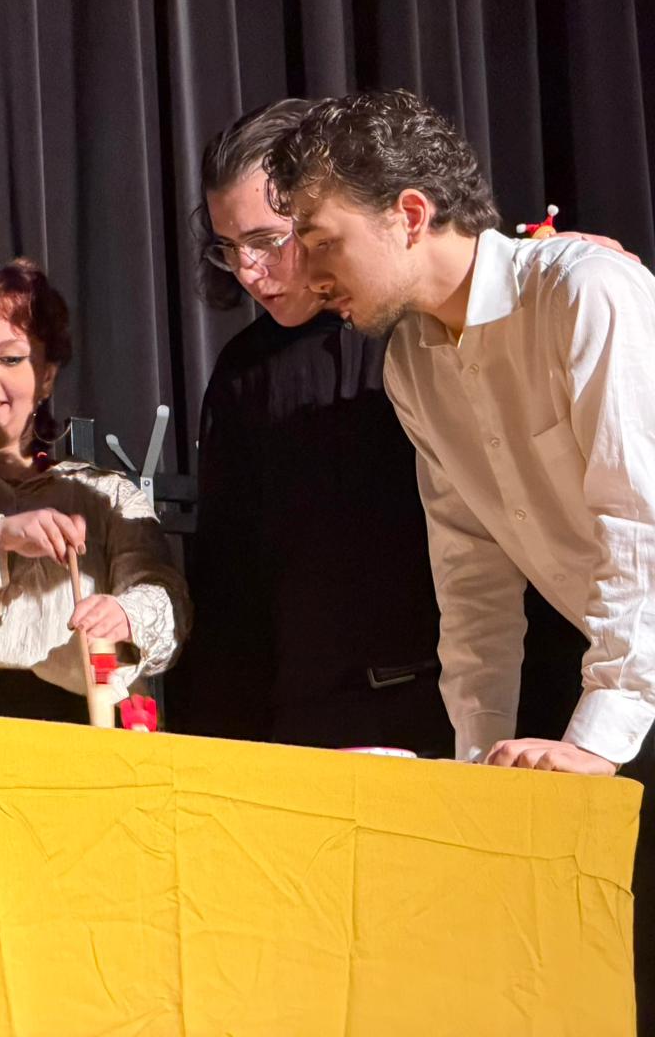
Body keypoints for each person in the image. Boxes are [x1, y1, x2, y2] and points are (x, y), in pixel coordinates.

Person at [265, 87, 655, 1027]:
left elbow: (639, 525)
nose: (305, 272)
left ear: (408, 213)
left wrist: (597, 738)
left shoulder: (584, 292)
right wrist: (477, 761)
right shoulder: (411, 362)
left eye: (320, 239)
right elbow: (472, 578)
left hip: (633, 683)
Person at [168, 99, 452, 753]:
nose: (249, 272)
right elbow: (232, 587)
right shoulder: (244, 372)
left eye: (267, 241)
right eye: (229, 249)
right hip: (313, 727)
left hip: (462, 706)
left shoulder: (423, 323)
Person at [0, 258, 190, 722]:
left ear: (48, 376)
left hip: (79, 732)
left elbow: (165, 598)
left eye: (10, 358)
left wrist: (126, 615)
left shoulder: (106, 496)